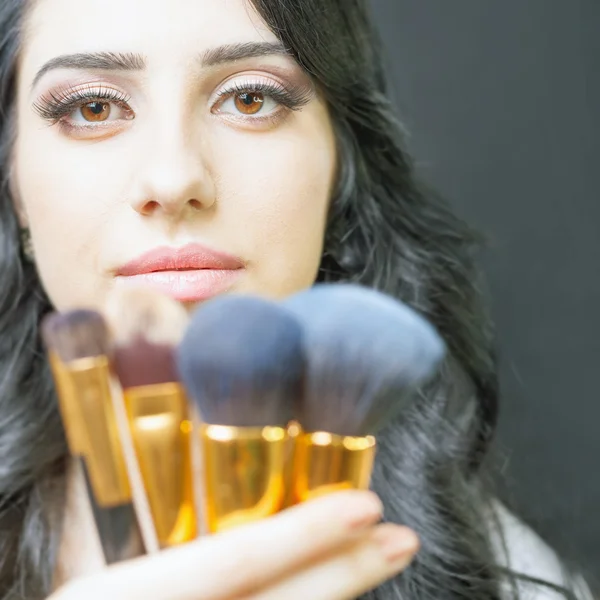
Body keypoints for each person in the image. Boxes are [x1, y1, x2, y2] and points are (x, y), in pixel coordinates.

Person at [0, 0, 591, 599]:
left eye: (249, 98)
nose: (174, 179)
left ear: (341, 169)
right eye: (92, 107)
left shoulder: (512, 579)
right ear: (14, 186)